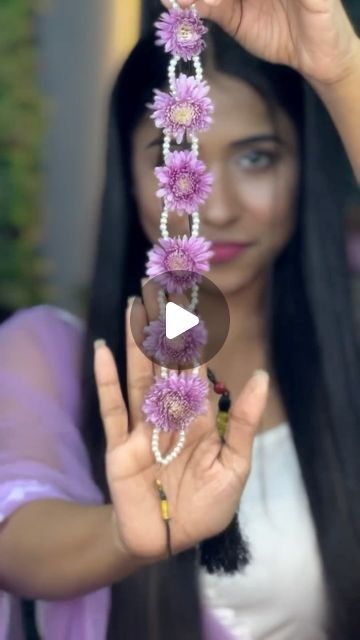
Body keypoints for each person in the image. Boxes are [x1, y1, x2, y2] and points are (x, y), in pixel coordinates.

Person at [0, 0, 359, 639]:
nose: (215, 206)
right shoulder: (49, 353)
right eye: (176, 161)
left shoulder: (349, 339)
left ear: (305, 167)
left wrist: (341, 72)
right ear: (127, 169)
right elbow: (16, 541)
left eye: (256, 158)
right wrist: (125, 534)